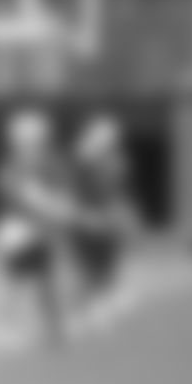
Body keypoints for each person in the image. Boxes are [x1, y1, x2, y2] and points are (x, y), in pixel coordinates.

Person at [0, 108, 74, 348]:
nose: (32, 142)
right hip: (19, 230)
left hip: (42, 230)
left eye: (35, 138)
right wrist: (48, 204)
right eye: (27, 138)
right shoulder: (12, 166)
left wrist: (59, 207)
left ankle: (52, 328)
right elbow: (13, 191)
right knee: (14, 281)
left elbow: (61, 192)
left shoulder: (49, 162)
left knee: (45, 279)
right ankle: (2, 327)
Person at [68, 114, 134, 324]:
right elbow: (77, 191)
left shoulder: (113, 161)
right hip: (86, 218)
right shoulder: (82, 160)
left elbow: (114, 190)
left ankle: (101, 304)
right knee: (88, 266)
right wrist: (85, 215)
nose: (108, 141)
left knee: (107, 263)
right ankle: (85, 309)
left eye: (111, 138)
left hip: (106, 218)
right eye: (104, 137)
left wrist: (119, 211)